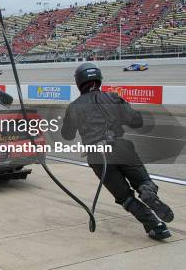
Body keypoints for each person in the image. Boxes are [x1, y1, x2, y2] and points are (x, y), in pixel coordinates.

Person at [61, 62, 173, 240]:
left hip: (97, 155)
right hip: (122, 147)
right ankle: (146, 191)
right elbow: (137, 121)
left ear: (79, 82)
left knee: (125, 197)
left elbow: (67, 135)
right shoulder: (113, 98)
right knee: (143, 181)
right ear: (99, 79)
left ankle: (156, 226)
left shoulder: (74, 107)